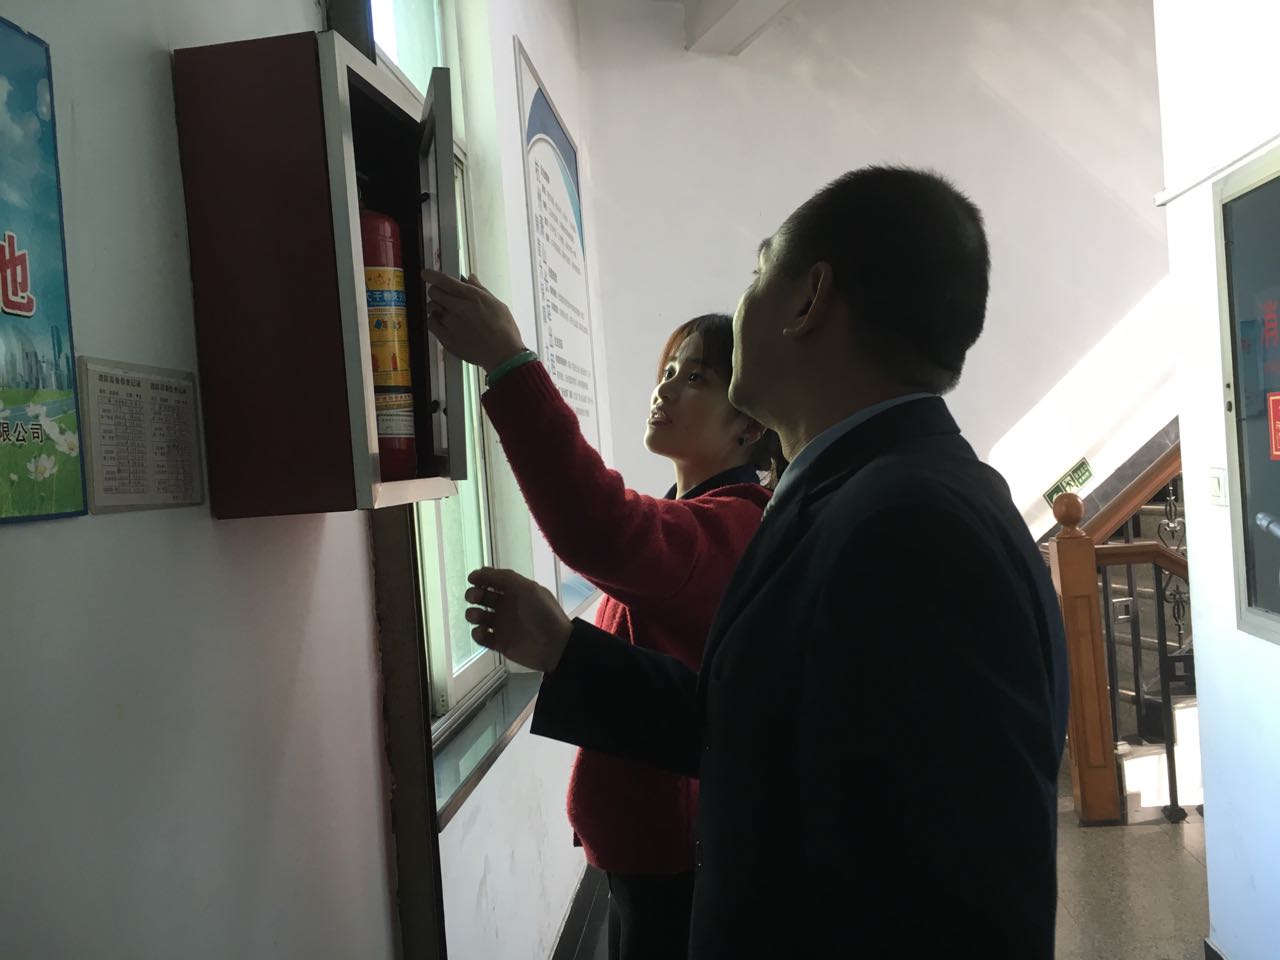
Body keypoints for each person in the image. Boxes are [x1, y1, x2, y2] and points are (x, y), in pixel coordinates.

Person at [460, 166, 1070, 959]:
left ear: (810, 299)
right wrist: (568, 652)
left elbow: (963, 883)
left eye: (758, 272)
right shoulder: (853, 495)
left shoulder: (910, 526)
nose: (743, 301)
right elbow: (752, 727)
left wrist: (509, 367)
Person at [421, 272, 782, 960]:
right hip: (650, 856)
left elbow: (602, 526)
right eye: (667, 371)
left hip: (672, 865)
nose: (665, 388)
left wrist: (509, 364)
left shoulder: (733, 524)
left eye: (696, 378)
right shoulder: (700, 516)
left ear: (749, 423)